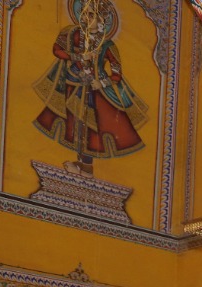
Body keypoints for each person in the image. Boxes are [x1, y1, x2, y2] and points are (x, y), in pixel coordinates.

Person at [33, 0, 148, 167]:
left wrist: (101, 83)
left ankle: (86, 164)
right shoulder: (73, 33)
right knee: (72, 122)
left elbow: (117, 75)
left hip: (95, 88)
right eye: (85, 13)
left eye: (91, 15)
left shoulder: (108, 45)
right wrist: (78, 56)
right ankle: (79, 161)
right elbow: (57, 50)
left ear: (101, 20)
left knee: (92, 126)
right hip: (72, 81)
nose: (86, 18)